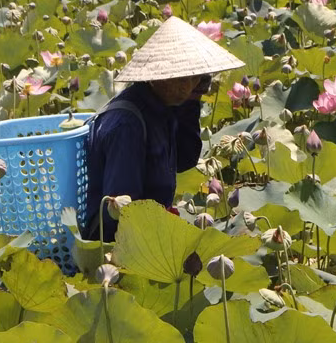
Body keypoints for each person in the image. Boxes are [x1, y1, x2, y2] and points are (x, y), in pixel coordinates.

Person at [81, 16, 244, 241]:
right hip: (119, 243)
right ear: (163, 77)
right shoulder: (128, 126)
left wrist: (191, 101)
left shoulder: (164, 107)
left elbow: (185, 160)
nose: (203, 86)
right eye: (194, 77)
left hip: (153, 232)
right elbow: (120, 215)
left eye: (204, 77)